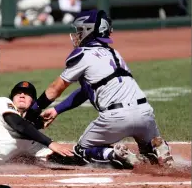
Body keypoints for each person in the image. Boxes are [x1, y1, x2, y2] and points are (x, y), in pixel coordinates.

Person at [25, 9, 174, 170]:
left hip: (116, 117)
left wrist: (33, 110)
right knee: (147, 156)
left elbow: (55, 88)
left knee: (82, 151)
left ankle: (115, 154)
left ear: (89, 30)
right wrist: (56, 110)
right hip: (145, 113)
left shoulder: (83, 54)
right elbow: (86, 91)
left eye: (80, 30)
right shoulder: (113, 53)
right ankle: (158, 146)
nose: (77, 34)